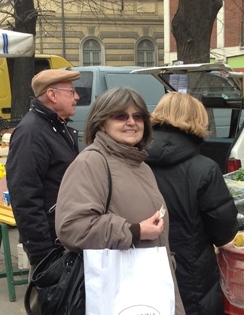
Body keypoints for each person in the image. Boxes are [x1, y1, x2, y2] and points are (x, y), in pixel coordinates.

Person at [55, 87, 186, 314]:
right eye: (120, 116)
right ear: (101, 122)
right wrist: (134, 231)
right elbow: (72, 227)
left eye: (138, 116)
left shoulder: (140, 165)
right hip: (117, 292)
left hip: (149, 286)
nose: (131, 122)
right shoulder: (91, 162)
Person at [145, 92, 240, 315]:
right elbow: (224, 232)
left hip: (143, 264)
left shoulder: (134, 160)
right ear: (198, 120)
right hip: (191, 270)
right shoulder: (204, 168)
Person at [7, 69, 80, 268]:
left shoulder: (57, 127)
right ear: (52, 95)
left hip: (64, 237)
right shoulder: (32, 133)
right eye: (71, 92)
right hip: (50, 246)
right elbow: (25, 196)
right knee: (49, 298)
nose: (77, 97)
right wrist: (42, 253)